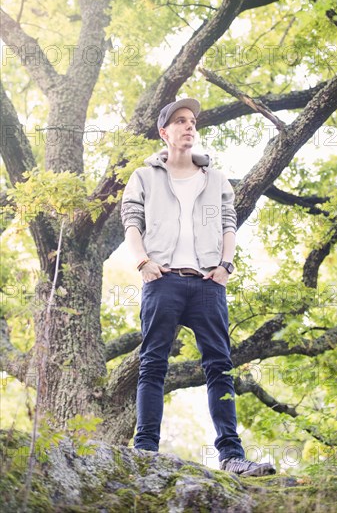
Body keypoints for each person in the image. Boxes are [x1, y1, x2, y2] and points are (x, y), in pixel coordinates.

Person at [121, 98, 276, 476]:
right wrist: (143, 263)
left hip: (208, 283)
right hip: (162, 281)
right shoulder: (144, 177)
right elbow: (131, 222)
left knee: (220, 366)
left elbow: (228, 223)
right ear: (164, 132)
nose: (189, 127)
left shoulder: (216, 178)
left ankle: (232, 456)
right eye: (179, 121)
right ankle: (145, 452)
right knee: (152, 364)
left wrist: (225, 266)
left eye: (192, 121)